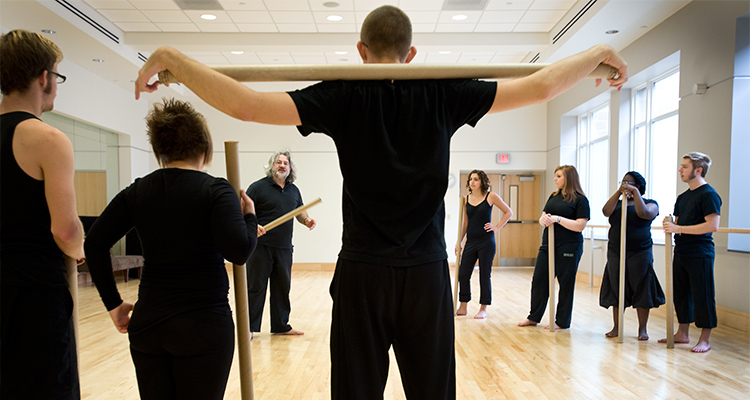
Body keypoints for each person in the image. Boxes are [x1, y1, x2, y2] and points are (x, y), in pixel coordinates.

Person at [134, 5, 628, 399]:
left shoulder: (343, 94)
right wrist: (599, 50)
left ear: (360, 51)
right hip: (424, 273)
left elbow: (245, 104)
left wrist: (174, 59)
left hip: (363, 275)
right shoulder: (442, 92)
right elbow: (541, 87)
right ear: (412, 53)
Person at [84, 98, 258, 399]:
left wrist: (114, 304)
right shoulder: (216, 190)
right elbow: (239, 251)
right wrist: (250, 216)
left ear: (159, 149)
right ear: (204, 147)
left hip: (149, 325)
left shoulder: (137, 190)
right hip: (203, 328)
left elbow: (94, 243)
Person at [0, 29, 85, 400]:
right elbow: (65, 231)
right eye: (57, 77)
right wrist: (79, 248)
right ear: (43, 78)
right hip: (33, 297)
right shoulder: (47, 139)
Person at [246, 150, 316, 337]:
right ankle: (250, 328)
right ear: (272, 166)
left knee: (282, 287)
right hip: (260, 247)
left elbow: (299, 212)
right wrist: (254, 225)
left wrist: (307, 220)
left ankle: (280, 326)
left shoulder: (294, 190)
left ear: (290, 168)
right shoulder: (258, 187)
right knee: (256, 287)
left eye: (285, 163)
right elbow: (243, 211)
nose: (282, 165)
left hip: (284, 248)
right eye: (278, 162)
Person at [661, 152, 721, 353]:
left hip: (700, 252)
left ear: (698, 170)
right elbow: (679, 223)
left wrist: (679, 229)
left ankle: (705, 339)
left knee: (702, 295)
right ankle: (683, 333)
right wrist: (672, 224)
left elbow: (712, 225)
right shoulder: (683, 197)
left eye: (685, 166)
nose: (680, 170)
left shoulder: (709, 194)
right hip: (682, 251)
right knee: (681, 293)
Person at [518, 165, 590, 330]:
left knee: (565, 283)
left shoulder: (580, 200)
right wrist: (542, 219)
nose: (555, 179)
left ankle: (562, 321)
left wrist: (558, 219)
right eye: (555, 176)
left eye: (558, 176)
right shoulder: (553, 196)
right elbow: (544, 215)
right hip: (548, 244)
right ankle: (533, 317)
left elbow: (580, 225)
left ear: (568, 178)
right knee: (539, 280)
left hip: (569, 245)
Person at [599, 171, 665, 340]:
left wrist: (635, 194)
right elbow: (606, 211)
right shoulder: (618, 203)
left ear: (639, 186)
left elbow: (644, 213)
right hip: (616, 250)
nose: (625, 185)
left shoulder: (650, 203)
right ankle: (616, 326)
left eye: (629, 182)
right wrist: (618, 192)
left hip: (640, 251)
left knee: (641, 286)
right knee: (616, 285)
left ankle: (642, 329)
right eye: (623, 182)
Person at [455, 170, 512, 319]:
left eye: (476, 179)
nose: (472, 182)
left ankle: (483, 308)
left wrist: (497, 226)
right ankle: (463, 305)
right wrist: (459, 241)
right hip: (471, 242)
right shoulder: (466, 199)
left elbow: (508, 212)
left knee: (484, 275)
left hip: (486, 242)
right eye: (470, 179)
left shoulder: (490, 196)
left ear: (482, 182)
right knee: (463, 274)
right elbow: (465, 223)